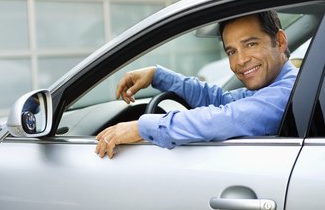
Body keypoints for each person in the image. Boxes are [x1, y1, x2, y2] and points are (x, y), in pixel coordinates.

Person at [95, 10, 298, 158]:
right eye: (231, 52)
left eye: (250, 44)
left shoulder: (286, 93)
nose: (240, 61)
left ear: (280, 41)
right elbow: (222, 100)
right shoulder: (276, 87)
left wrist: (141, 127)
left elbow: (223, 119)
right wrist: (157, 76)